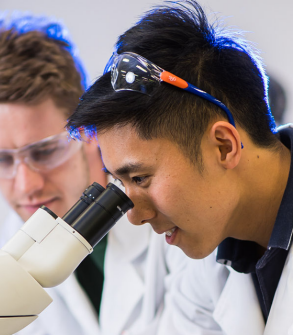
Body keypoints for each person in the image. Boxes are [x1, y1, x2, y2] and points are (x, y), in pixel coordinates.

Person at [67, 0, 293, 333]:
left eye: (141, 178)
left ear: (224, 146)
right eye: (119, 182)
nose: (134, 215)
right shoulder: (210, 268)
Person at [0, 14, 186, 335]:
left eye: (44, 152)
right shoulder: (14, 243)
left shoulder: (172, 219)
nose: (27, 186)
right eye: (0, 160)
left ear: (89, 132)